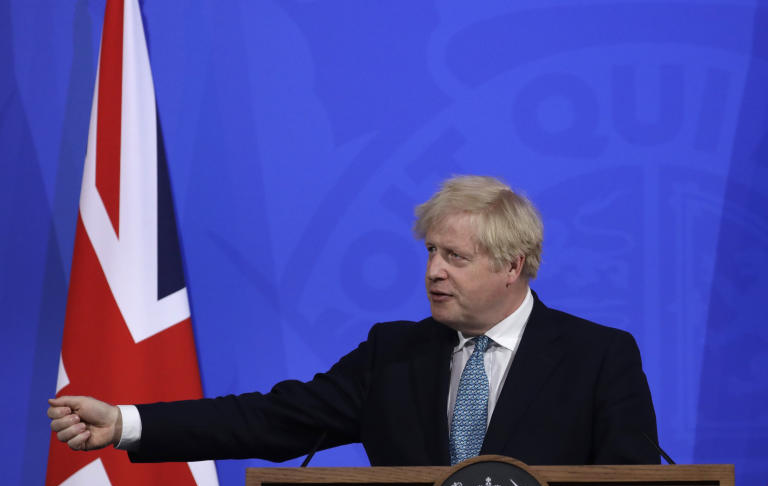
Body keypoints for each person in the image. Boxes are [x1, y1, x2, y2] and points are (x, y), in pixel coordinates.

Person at [48, 176, 659, 466]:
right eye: (429, 252)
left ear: (513, 266)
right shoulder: (394, 354)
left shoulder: (597, 356)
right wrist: (128, 422)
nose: (434, 273)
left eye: (455, 256)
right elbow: (271, 420)